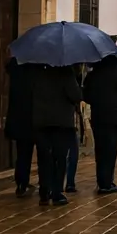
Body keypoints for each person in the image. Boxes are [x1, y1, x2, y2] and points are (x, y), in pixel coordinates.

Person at [30, 65, 82, 205]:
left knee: (44, 157)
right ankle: (56, 192)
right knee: (59, 158)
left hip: (41, 121)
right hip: (61, 123)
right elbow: (75, 95)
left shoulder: (37, 71)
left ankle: (44, 191)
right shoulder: (65, 72)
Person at [82, 57, 117, 193]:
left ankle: (102, 181)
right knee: (110, 150)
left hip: (98, 115)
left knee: (100, 150)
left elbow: (85, 96)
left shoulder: (92, 75)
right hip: (113, 117)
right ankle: (107, 182)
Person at [4, 59, 35, 198]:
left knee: (22, 153)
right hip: (34, 117)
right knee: (42, 153)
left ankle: (21, 183)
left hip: (18, 117)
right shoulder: (36, 69)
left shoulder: (15, 68)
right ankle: (44, 187)